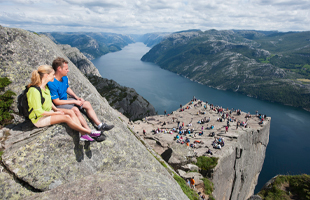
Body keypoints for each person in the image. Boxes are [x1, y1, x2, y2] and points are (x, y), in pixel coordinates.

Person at [27, 65, 101, 142]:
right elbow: (39, 112)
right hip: (39, 119)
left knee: (71, 112)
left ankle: (83, 135)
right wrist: (56, 113)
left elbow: (49, 102)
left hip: (48, 112)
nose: (54, 77)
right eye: (52, 75)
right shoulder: (34, 91)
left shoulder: (45, 88)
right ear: (46, 75)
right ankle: (88, 132)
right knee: (66, 117)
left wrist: (56, 110)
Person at [47, 57, 114, 133]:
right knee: (75, 109)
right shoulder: (51, 82)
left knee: (87, 104)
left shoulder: (64, 77)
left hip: (65, 100)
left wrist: (76, 97)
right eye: (66, 69)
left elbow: (67, 88)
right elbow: (56, 102)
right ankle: (89, 131)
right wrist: (75, 102)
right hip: (59, 105)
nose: (68, 70)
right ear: (59, 68)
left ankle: (100, 125)